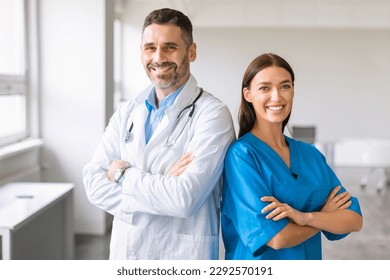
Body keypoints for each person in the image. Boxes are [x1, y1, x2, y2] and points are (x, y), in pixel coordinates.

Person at [83, 8, 235, 260]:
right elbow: (92, 183)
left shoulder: (212, 114)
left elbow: (184, 198)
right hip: (126, 254)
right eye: (150, 47)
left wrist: (123, 174)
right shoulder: (127, 111)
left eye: (170, 47)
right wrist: (163, 185)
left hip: (182, 256)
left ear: (192, 51)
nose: (158, 57)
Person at [221, 53, 363, 260]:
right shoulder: (242, 156)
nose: (277, 96)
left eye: (285, 86)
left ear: (293, 91)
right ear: (248, 94)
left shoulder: (311, 155)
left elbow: (353, 219)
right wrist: (324, 217)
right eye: (265, 88)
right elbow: (276, 238)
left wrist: (305, 217)